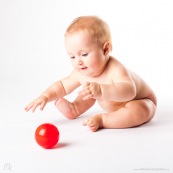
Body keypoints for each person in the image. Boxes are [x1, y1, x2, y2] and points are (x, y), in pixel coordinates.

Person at [25, 16, 157, 132]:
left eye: (84, 54)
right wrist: (45, 96)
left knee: (142, 109)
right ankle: (75, 108)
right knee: (88, 90)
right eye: (72, 57)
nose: (78, 62)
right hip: (115, 107)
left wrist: (101, 90)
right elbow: (62, 86)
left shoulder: (115, 69)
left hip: (139, 101)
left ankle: (104, 120)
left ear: (105, 49)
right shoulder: (83, 71)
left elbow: (130, 91)